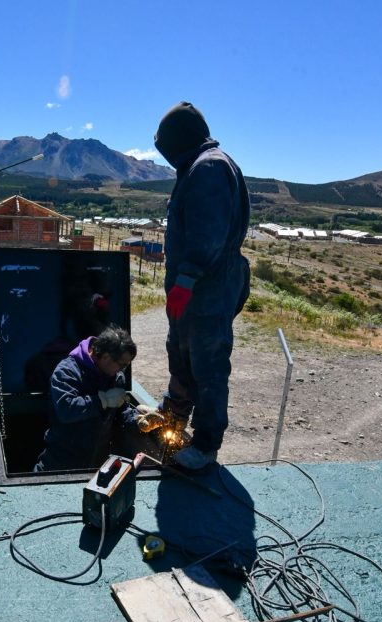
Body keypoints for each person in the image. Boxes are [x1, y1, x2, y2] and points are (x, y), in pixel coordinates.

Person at [153, 101, 251, 471]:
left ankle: (206, 445)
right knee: (181, 352)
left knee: (208, 365)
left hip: (207, 288)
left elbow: (208, 234)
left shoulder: (208, 167)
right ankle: (174, 415)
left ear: (177, 140)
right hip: (195, 288)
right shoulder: (198, 166)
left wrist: (187, 279)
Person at [34, 325, 157, 472]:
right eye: (122, 365)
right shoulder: (67, 372)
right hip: (61, 460)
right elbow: (66, 409)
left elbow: (119, 413)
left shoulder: (115, 377)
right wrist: (102, 400)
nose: (123, 370)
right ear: (105, 357)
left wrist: (138, 420)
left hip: (96, 461)